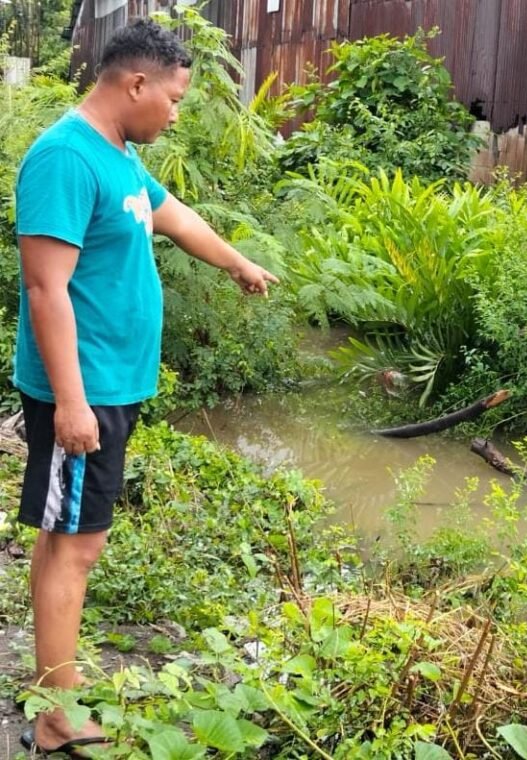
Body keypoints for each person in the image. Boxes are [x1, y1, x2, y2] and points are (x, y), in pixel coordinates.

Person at [13, 17, 278, 756]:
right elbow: (45, 287)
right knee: (78, 548)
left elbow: (175, 216)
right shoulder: (66, 159)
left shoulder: (119, 155)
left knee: (63, 538)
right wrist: (70, 402)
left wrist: (236, 263)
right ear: (135, 84)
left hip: (107, 384)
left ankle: (46, 694)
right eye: (175, 98)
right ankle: (57, 717)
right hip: (84, 388)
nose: (177, 111)